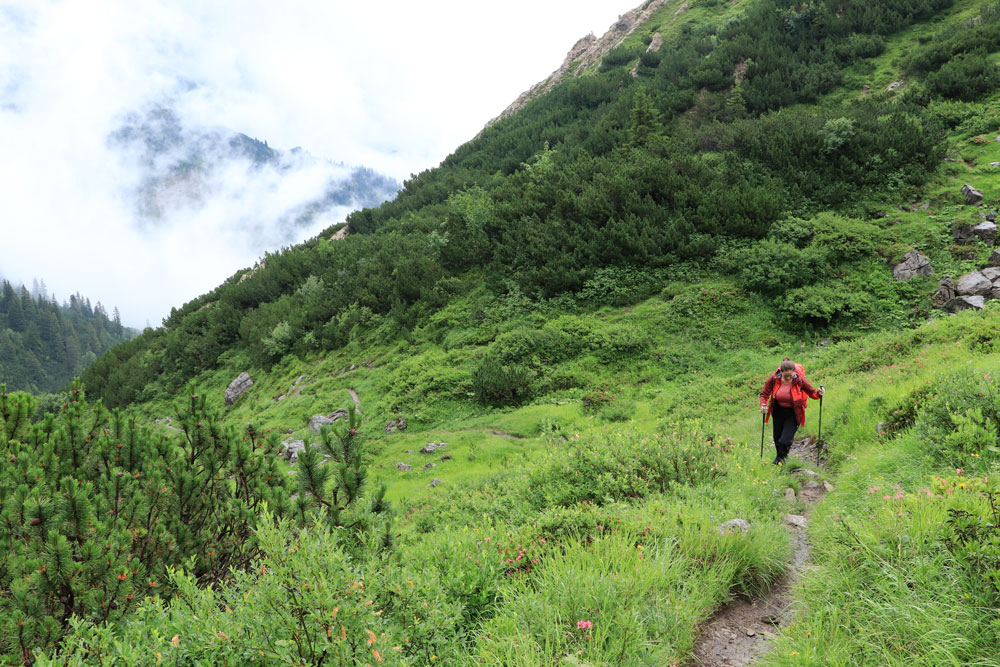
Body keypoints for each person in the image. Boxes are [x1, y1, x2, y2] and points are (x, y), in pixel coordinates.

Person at [760, 359, 824, 465]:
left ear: (794, 372)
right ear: (781, 372)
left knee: (785, 440)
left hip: (794, 413)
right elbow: (764, 393)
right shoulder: (774, 378)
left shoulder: (799, 380)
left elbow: (812, 393)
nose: (789, 378)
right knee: (777, 439)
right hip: (778, 411)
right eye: (786, 376)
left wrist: (819, 393)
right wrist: (763, 405)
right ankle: (781, 459)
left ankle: (779, 460)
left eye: (791, 375)